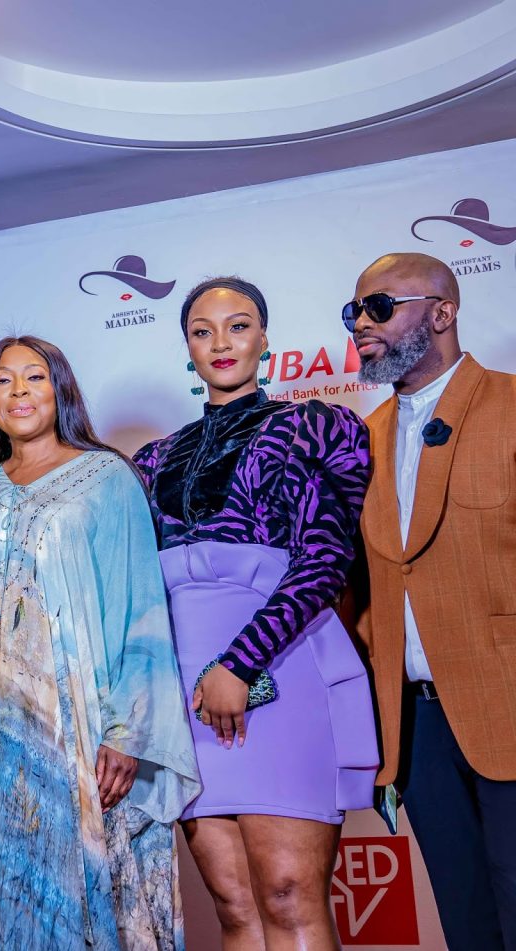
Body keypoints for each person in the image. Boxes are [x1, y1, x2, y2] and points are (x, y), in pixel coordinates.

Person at [133, 278, 378, 950]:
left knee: (289, 896)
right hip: (184, 692)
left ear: (265, 338)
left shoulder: (319, 427)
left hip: (283, 668)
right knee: (234, 905)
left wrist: (240, 665)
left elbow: (326, 559)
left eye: (238, 326)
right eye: (203, 331)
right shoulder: (152, 459)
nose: (221, 343)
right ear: (187, 346)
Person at [0, 335, 201, 951]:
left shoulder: (105, 477)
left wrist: (126, 732)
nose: (19, 391)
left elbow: (139, 608)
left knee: (90, 889)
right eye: (3, 380)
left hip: (79, 728)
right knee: (3, 893)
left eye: (34, 377)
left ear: (60, 389)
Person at [347, 252, 516, 949]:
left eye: (380, 307)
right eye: (354, 311)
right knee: (466, 924)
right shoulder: (363, 439)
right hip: (416, 731)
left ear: (442, 312)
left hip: (507, 706)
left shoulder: (511, 406)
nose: (361, 323)